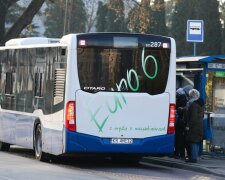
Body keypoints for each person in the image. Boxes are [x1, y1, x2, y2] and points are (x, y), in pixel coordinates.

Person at [185, 89, 204, 163]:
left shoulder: (193, 105)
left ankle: (193, 158)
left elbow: (193, 117)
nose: (189, 96)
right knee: (196, 142)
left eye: (190, 95)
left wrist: (188, 125)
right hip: (198, 125)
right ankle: (194, 157)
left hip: (194, 126)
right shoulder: (199, 104)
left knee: (193, 142)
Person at [174, 88, 188, 159]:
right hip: (182, 123)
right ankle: (181, 154)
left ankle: (177, 153)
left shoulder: (179, 100)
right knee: (181, 139)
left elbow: (178, 110)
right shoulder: (185, 100)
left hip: (179, 122)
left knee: (178, 138)